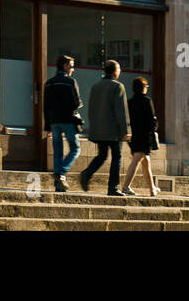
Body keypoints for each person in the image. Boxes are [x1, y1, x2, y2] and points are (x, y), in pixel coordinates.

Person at [78, 60, 130, 196]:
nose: (120, 71)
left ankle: (87, 173)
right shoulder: (118, 87)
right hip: (113, 131)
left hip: (99, 129)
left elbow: (91, 109)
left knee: (102, 155)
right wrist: (125, 131)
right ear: (114, 71)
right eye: (119, 69)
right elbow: (121, 111)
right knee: (116, 157)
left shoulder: (96, 86)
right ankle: (113, 187)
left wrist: (93, 127)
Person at [42, 54, 83, 192]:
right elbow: (77, 103)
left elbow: (45, 106)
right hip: (68, 120)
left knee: (57, 152)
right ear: (65, 66)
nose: (73, 69)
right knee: (75, 148)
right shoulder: (70, 82)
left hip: (54, 122)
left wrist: (47, 125)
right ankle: (61, 173)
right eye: (71, 66)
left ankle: (58, 184)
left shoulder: (49, 83)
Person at [120, 77, 159, 197]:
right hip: (145, 136)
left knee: (146, 162)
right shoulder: (147, 101)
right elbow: (151, 121)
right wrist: (155, 125)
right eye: (146, 86)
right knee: (137, 160)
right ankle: (126, 187)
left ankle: (152, 189)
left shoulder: (130, 102)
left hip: (134, 135)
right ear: (143, 88)